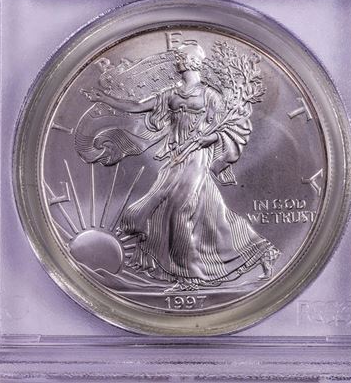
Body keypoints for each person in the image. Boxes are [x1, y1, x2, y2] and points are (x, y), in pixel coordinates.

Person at [86, 42, 279, 291]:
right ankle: (261, 251)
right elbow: (137, 106)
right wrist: (105, 99)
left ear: (192, 61)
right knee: (210, 215)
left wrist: (210, 138)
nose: (177, 61)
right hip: (177, 157)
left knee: (179, 210)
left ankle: (189, 276)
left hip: (197, 156)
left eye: (180, 57)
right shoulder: (172, 94)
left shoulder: (210, 95)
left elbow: (233, 126)